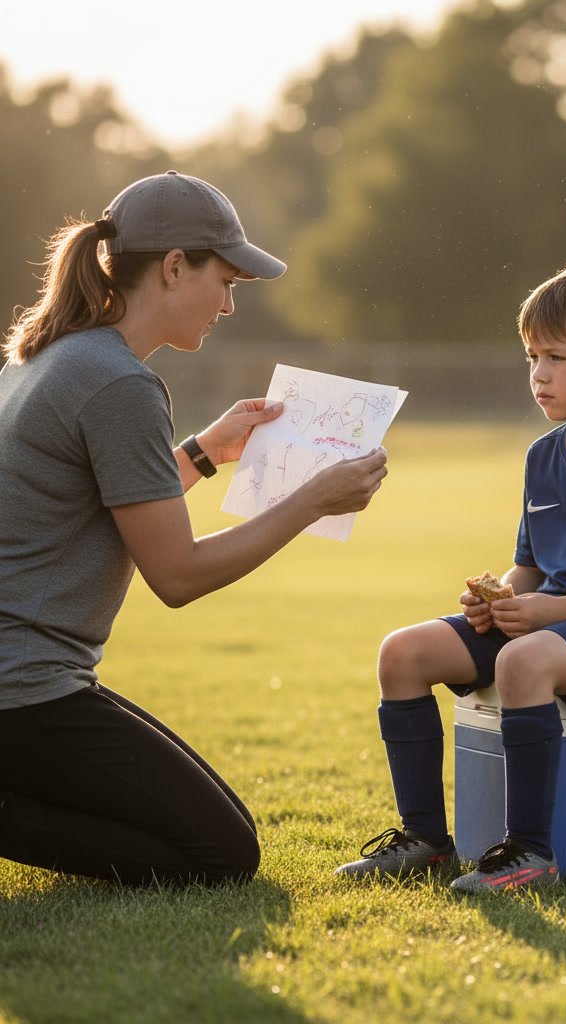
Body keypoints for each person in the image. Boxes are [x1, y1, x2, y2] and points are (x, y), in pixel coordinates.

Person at [0, 170, 388, 887]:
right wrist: (311, 500)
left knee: (223, 829)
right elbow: (176, 575)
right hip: (21, 692)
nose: (229, 305)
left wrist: (205, 452)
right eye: (226, 281)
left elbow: (105, 504)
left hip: (27, 684)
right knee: (224, 856)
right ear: (175, 266)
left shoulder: (57, 355)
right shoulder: (118, 382)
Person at [334, 256, 566, 892]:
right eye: (532, 357)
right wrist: (498, 598)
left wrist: (551, 612)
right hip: (551, 620)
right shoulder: (542, 456)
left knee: (520, 662)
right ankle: (425, 840)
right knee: (403, 653)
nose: (539, 374)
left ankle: (529, 853)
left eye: (557, 357)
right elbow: (530, 569)